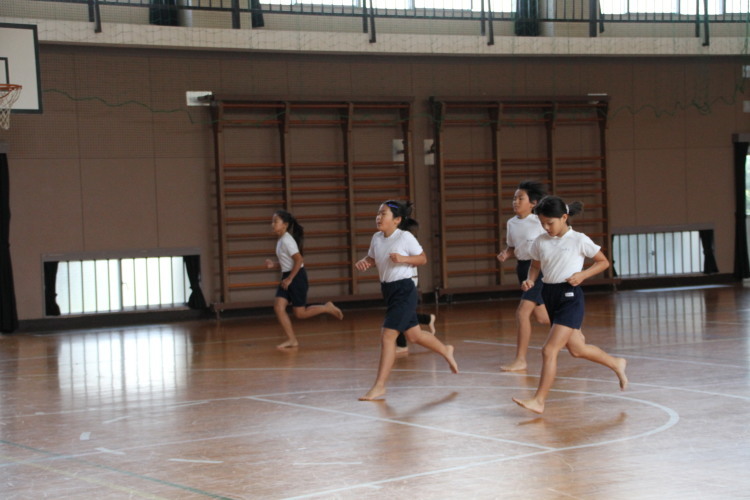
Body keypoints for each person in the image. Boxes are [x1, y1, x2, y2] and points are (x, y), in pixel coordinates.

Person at [512, 196, 628, 414]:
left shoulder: (579, 239)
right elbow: (536, 266)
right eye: (542, 223)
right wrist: (530, 279)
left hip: (570, 297)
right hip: (550, 296)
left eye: (550, 223)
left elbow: (603, 262)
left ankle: (539, 400)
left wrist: (583, 275)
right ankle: (616, 363)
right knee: (577, 349)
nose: (546, 227)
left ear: (564, 217)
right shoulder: (540, 241)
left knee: (549, 350)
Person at [355, 200, 458, 401]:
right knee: (414, 336)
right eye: (378, 213)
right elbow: (373, 258)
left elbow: (422, 259)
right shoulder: (376, 238)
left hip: (405, 289)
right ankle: (445, 349)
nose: (378, 217)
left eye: (383, 214)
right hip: (389, 290)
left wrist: (403, 259)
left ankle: (379, 386)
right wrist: (365, 262)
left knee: (387, 336)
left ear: (397, 220)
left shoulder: (405, 237)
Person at [265, 210, 343, 348]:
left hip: (296, 277)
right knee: (278, 307)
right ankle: (292, 340)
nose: (272, 224)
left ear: (285, 225)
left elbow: (299, 259)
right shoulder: (281, 240)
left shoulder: (287, 241)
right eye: (272, 221)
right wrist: (274, 264)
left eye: (275, 221)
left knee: (300, 314)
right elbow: (287, 262)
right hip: (288, 276)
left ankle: (326, 308)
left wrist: (289, 279)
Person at [497, 180, 550, 371]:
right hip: (522, 269)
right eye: (514, 198)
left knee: (522, 312)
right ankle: (572, 328)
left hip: (537, 269)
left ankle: (520, 359)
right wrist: (506, 253)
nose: (516, 201)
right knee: (543, 318)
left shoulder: (539, 221)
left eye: (521, 198)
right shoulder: (511, 223)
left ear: (533, 203)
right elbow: (513, 247)